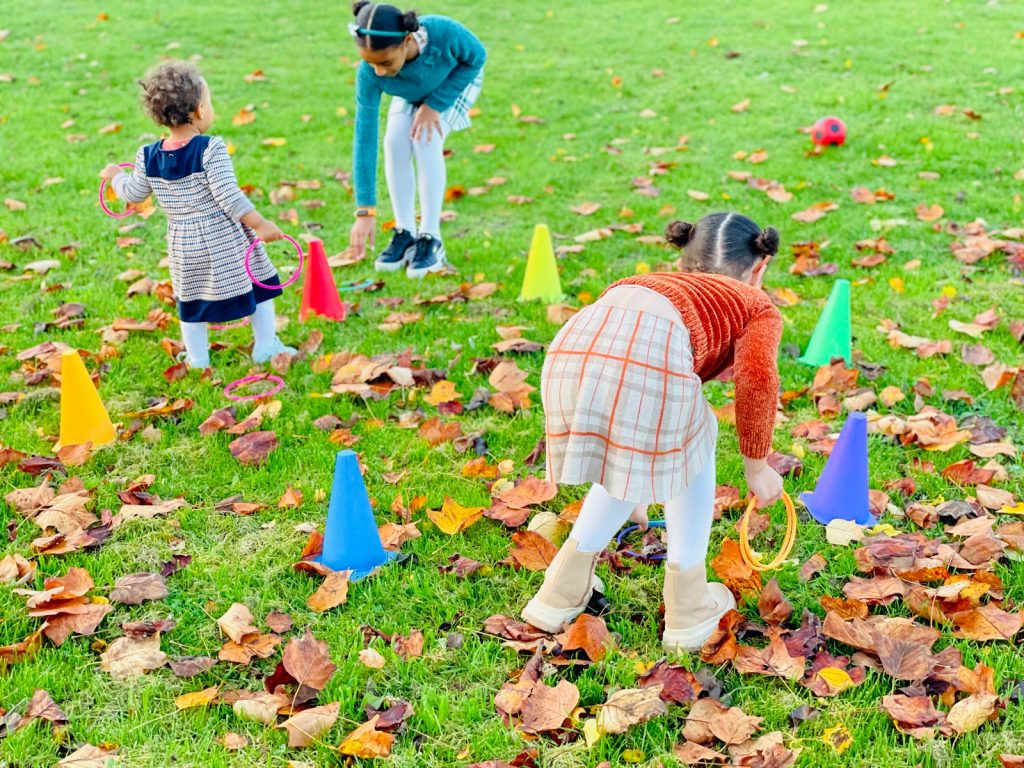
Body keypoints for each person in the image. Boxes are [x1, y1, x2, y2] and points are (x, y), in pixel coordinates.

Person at [522, 212, 785, 652]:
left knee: (665, 428)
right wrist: (757, 466)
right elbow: (757, 379)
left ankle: (561, 589)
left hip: (572, 352)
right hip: (645, 361)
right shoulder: (755, 304)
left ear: (684, 261)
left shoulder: (650, 282)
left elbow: (636, 419)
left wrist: (634, 484)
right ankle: (688, 603)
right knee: (698, 440)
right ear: (759, 268)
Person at [99, 61, 295, 368]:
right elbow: (229, 196)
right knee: (259, 286)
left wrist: (114, 177)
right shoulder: (210, 148)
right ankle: (266, 345)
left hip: (183, 244)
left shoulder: (148, 156)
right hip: (223, 237)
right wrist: (260, 224)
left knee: (190, 301)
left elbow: (132, 194)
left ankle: (197, 358)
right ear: (200, 111)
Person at [346, 2, 486, 278]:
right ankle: (406, 232)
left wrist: (435, 104)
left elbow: (477, 56)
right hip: (412, 89)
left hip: (455, 81)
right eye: (370, 63)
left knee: (425, 140)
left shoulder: (442, 32)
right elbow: (365, 136)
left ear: (407, 41)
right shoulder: (372, 72)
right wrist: (365, 210)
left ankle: (431, 238)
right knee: (395, 141)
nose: (379, 73)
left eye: (385, 62)